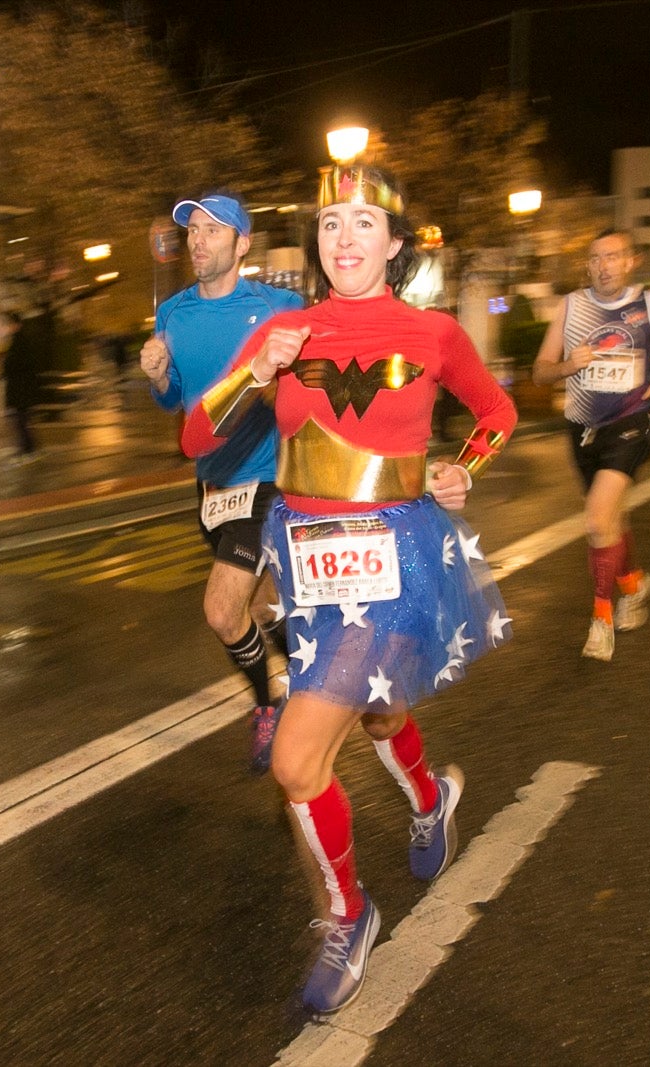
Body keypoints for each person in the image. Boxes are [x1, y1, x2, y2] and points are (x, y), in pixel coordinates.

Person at [179, 164, 516, 1017]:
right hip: (310, 559)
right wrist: (257, 373)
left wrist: (460, 467)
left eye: (365, 222)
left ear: (395, 242)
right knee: (372, 711)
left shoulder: (432, 331)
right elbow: (194, 434)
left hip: (397, 558)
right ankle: (432, 797)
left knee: (297, 758)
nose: (345, 237)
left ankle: (348, 913)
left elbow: (497, 413)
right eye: (331, 222)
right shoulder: (285, 331)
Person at [140, 192, 305, 774]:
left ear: (242, 244)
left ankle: (272, 702)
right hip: (210, 486)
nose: (198, 241)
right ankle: (317, 670)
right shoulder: (173, 315)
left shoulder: (280, 305)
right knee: (259, 608)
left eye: (213, 231)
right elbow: (175, 402)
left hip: (264, 478)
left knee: (220, 610)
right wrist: (159, 377)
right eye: (192, 231)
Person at [532, 227, 650, 661]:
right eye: (594, 258)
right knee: (610, 518)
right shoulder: (571, 306)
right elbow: (540, 372)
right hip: (582, 427)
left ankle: (601, 620)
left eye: (612, 257)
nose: (603, 266)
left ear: (631, 261)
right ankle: (634, 583)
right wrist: (569, 364)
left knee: (596, 518)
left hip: (629, 422)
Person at [0, 304, 53, 458]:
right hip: (22, 388)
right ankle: (29, 447)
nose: (7, 327)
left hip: (20, 388)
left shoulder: (19, 341)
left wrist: (5, 366)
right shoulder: (19, 340)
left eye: (9, 324)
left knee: (20, 420)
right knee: (22, 420)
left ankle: (28, 448)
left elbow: (18, 364)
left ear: (16, 325)